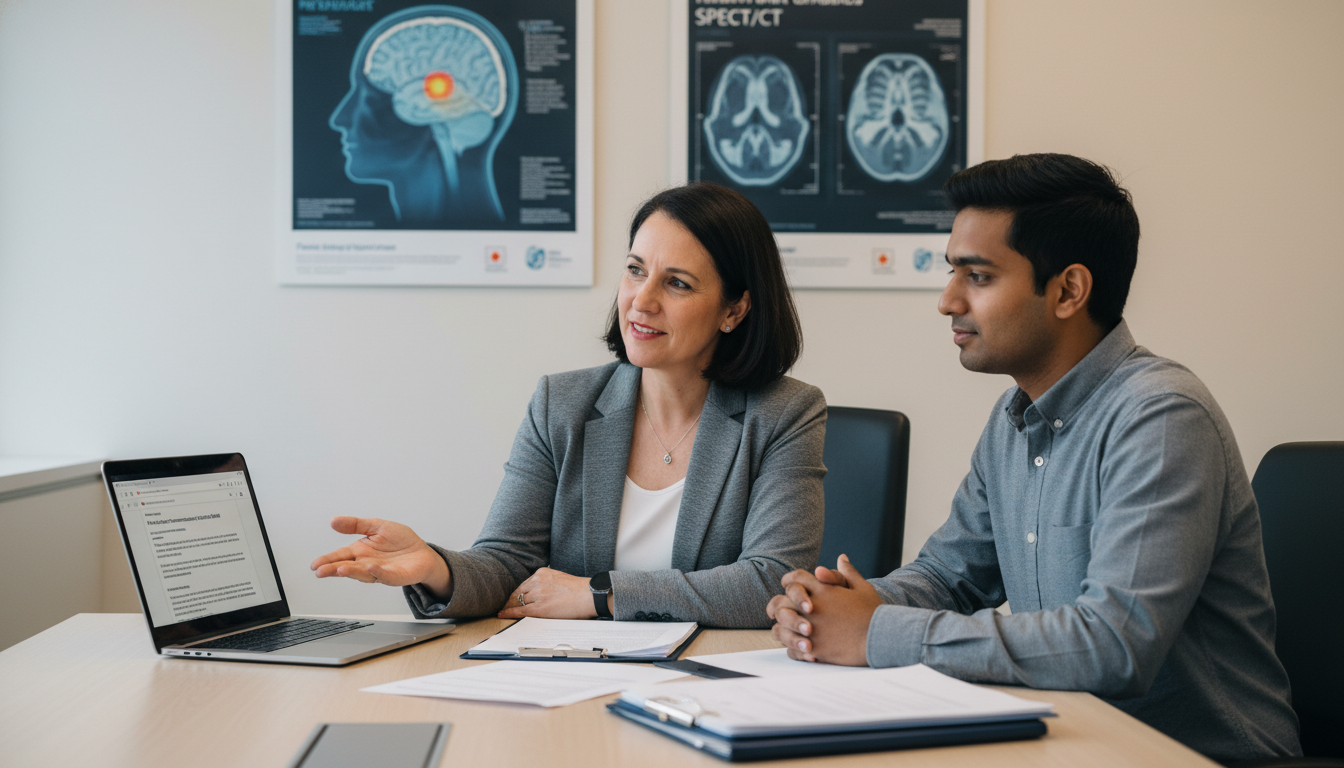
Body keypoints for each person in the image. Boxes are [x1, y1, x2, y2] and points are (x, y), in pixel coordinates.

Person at [767, 154, 1301, 761]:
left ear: (1068, 290)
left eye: (979, 276)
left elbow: (1113, 645)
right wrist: (834, 609)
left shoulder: (1162, 417)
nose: (947, 301)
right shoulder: (1013, 416)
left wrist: (877, 632)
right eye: (952, 273)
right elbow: (948, 578)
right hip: (1069, 745)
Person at [312, 182, 825, 628]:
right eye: (634, 270)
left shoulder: (785, 413)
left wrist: (598, 594)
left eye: (677, 283)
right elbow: (508, 562)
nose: (641, 300)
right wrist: (434, 568)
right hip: (575, 671)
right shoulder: (562, 403)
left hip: (712, 676)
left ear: (733, 309)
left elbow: (771, 581)